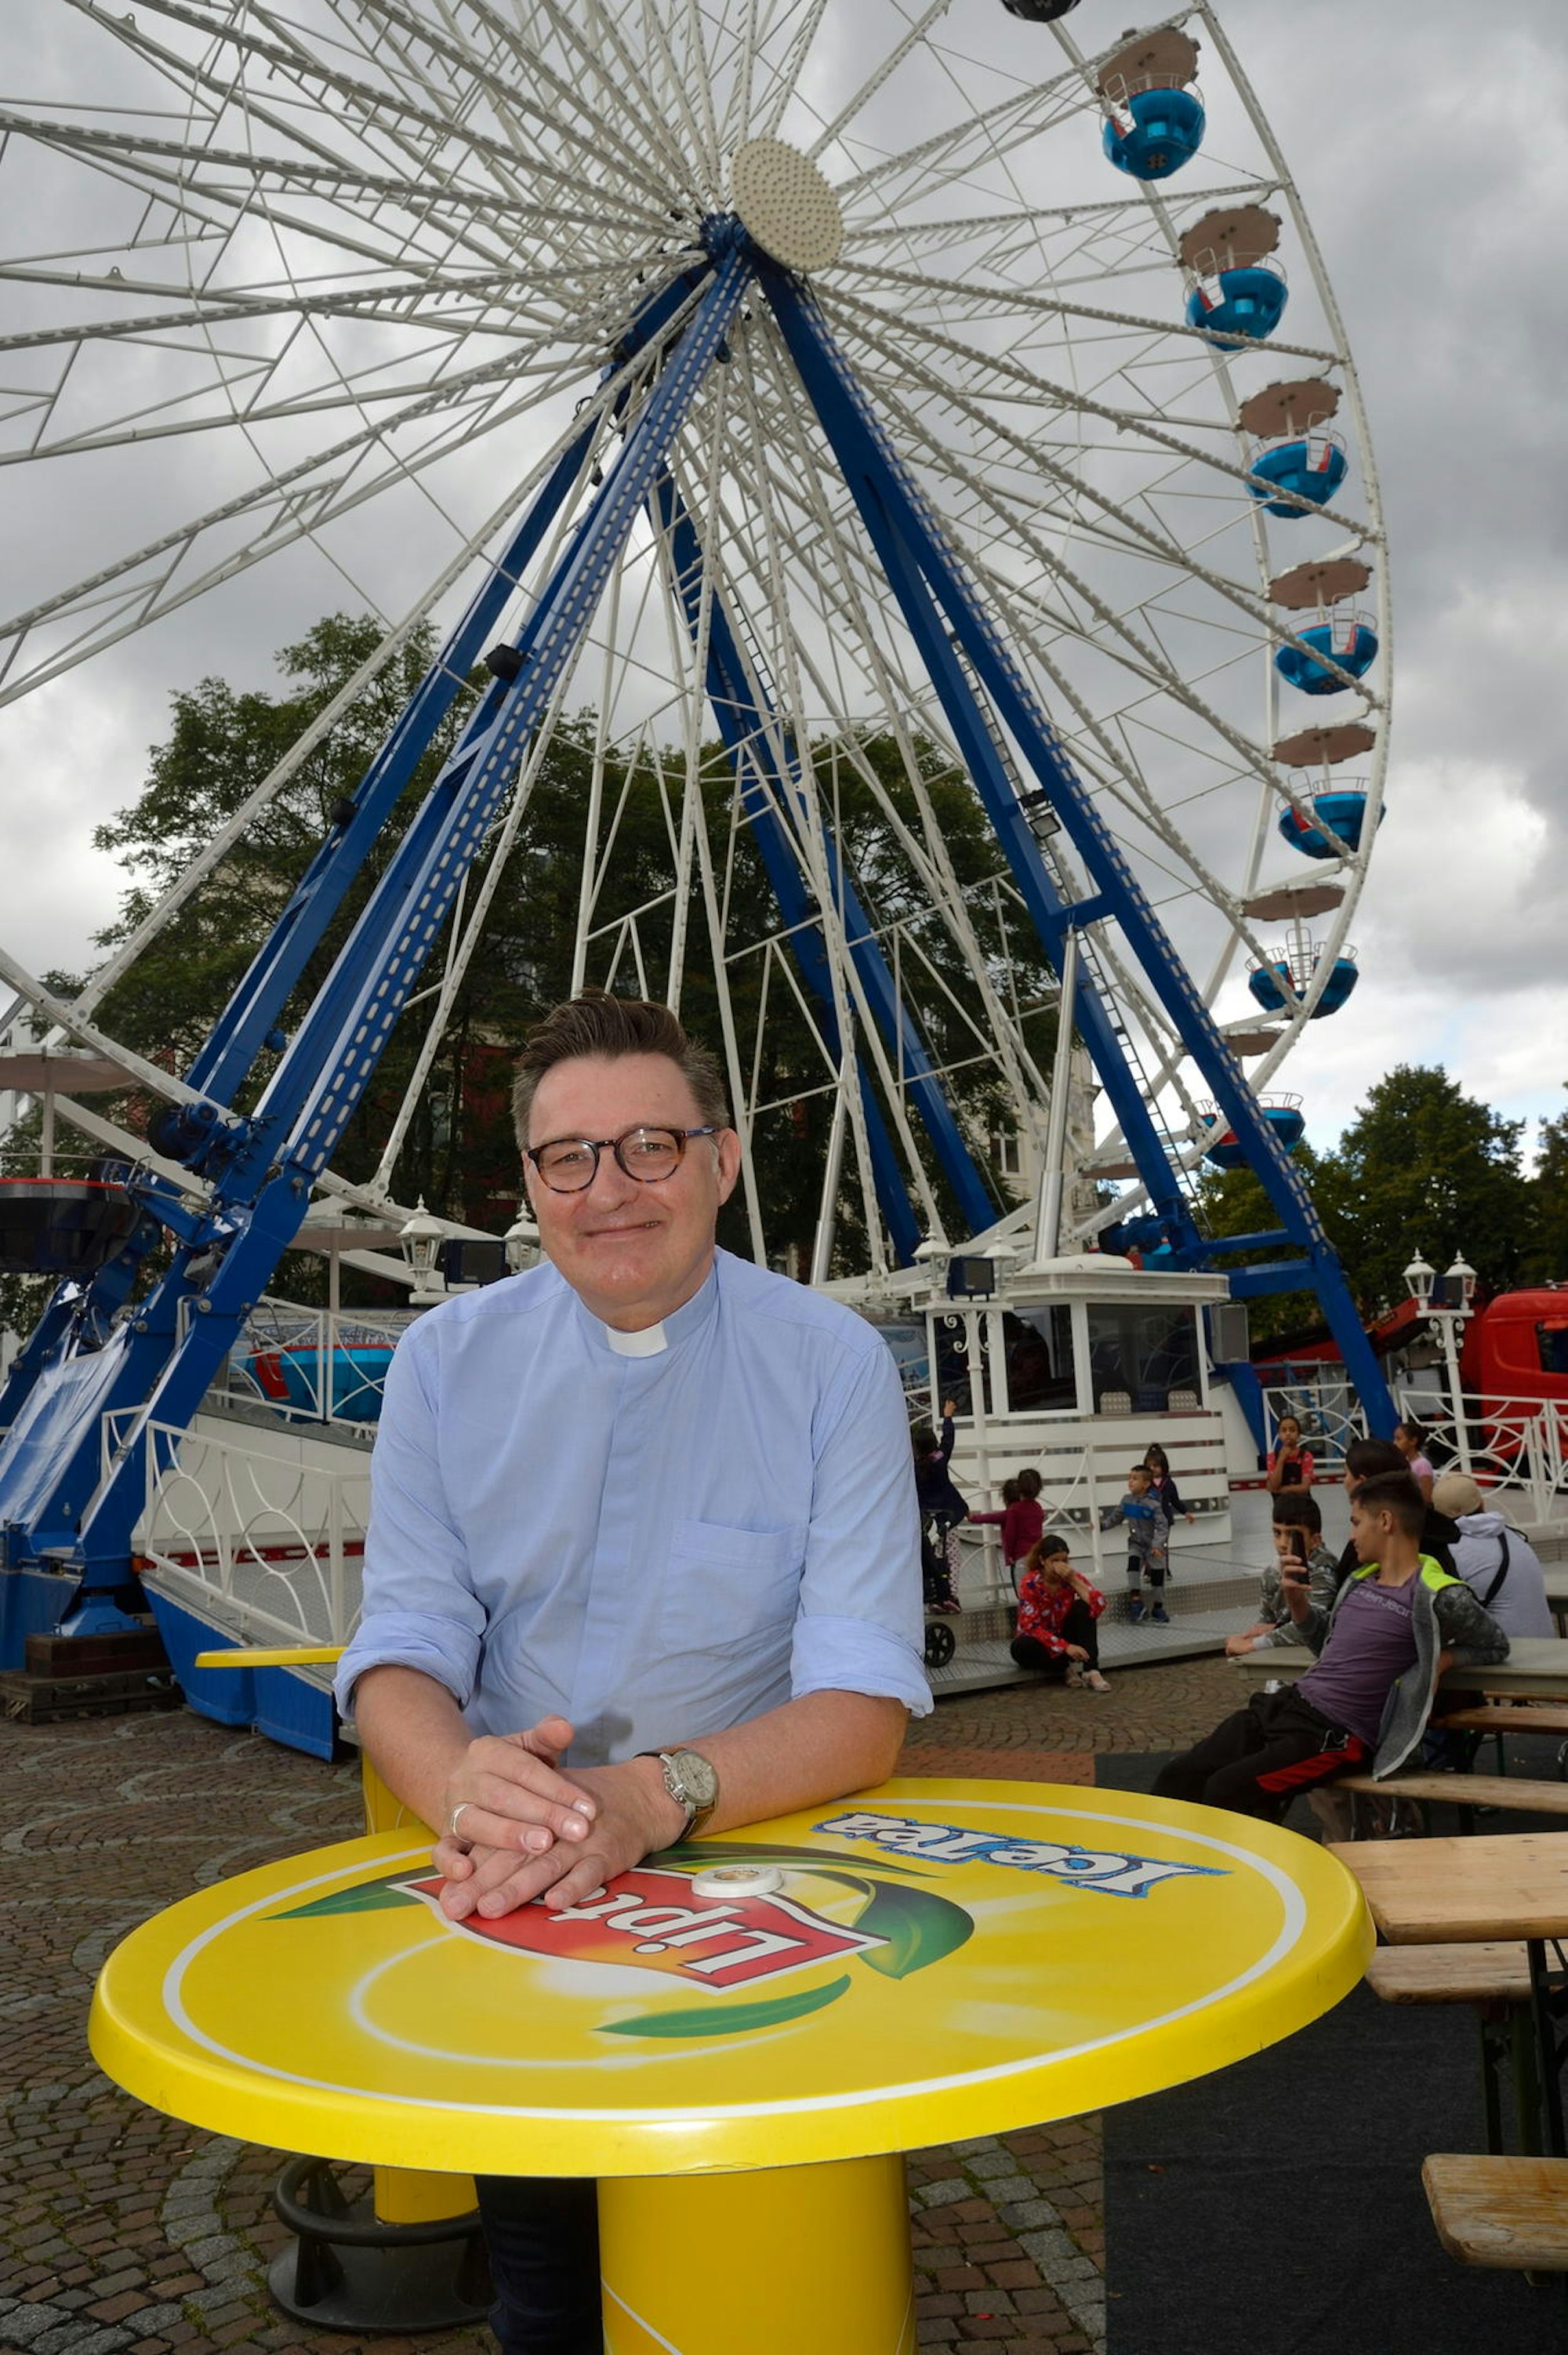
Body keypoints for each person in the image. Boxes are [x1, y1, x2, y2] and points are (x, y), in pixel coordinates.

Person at [332, 992, 930, 2355]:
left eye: (653, 1144)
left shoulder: (832, 1364)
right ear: (530, 1184)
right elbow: (403, 1648)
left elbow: (862, 1700)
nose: (611, 1188)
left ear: (722, 1160)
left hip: (770, 1893)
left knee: (769, 2281)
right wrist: (471, 1790)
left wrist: (652, 1795)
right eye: (570, 1156)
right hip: (527, 1898)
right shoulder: (440, 1364)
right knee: (543, 2279)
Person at [1155, 1470, 1508, 1823]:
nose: (1351, 1534)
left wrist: (1441, 1661)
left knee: (1226, 1790)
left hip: (1336, 1735)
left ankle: (1220, 1874)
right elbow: (1325, 1643)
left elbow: (1495, 1645)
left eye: (1356, 1522)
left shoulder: (1437, 1593)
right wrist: (1297, 1603)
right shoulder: (1360, 1579)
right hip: (1291, 1704)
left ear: (1385, 1521)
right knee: (1178, 1776)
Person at [1432, 1470, 1555, 1640]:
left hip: (1510, 1656)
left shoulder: (1451, 1552)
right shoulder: (1513, 1536)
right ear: (1481, 1503)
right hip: (1547, 1643)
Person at [1330, 1436, 1457, 1590]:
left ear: (1362, 1483)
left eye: (1346, 1474)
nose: (1344, 1482)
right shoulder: (1433, 1533)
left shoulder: (1369, 1548)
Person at [1224, 1490, 1338, 1656]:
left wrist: (1249, 1645)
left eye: (1292, 1535)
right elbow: (1266, 1620)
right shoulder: (1271, 1574)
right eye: (1277, 1533)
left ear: (1315, 1540)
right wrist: (1250, 1636)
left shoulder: (1324, 1568)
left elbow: (1311, 1628)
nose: (1282, 1544)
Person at [1010, 1533, 1109, 1692]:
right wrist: (1065, 1647)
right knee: (1022, 1646)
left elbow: (1098, 1605)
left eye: (1064, 1560)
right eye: (1055, 1561)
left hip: (1062, 1634)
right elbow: (1030, 1626)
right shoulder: (1030, 1583)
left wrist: (1074, 1581)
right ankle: (1064, 1668)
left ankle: (1091, 1670)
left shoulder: (1069, 1577)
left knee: (1083, 1607)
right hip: (1042, 1643)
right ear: (1043, 1561)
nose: (1060, 1566)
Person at [913, 1402, 967, 1613]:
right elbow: (948, 1441)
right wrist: (948, 1417)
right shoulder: (938, 1459)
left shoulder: (914, 1468)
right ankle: (950, 1595)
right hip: (948, 1516)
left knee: (932, 1557)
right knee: (951, 1556)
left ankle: (935, 1596)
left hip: (928, 1520)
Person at [1110, 1462, 1167, 1625]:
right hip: (1136, 1544)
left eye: (1135, 1479)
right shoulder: (1126, 1501)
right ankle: (1136, 1602)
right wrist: (1101, 1526)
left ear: (1146, 1484)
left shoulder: (1154, 1504)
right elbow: (1115, 1518)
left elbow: (1162, 1527)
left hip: (1153, 1548)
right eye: (1129, 1478)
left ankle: (1158, 1608)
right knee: (1133, 1567)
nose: (1130, 1481)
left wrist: (1157, 1545)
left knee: (1157, 1577)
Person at [971, 1467, 1045, 1588]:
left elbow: (1010, 1534)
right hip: (1037, 1555)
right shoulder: (1038, 1508)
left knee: (1023, 1592)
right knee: (1038, 1589)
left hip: (1020, 1556)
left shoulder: (1014, 1511)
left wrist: (1009, 1555)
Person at [1265, 1412, 1315, 1493]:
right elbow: (1274, 1484)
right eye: (1284, 1430)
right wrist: (1281, 1459)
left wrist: (1279, 1490)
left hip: (1303, 1503)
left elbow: (1304, 1488)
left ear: (1299, 1434)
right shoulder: (1272, 1457)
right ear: (1279, 1435)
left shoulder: (1306, 1456)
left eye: (1292, 1430)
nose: (1288, 1433)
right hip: (1280, 1504)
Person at [1394, 1417, 1436, 1501]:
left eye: (1399, 1439)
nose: (1395, 1443)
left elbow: (1427, 1496)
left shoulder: (1422, 1464)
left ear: (1413, 1441)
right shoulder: (1404, 1462)